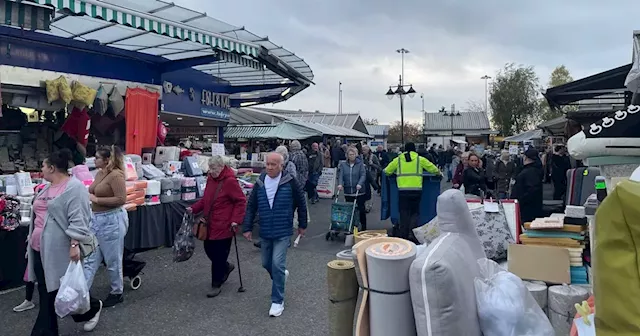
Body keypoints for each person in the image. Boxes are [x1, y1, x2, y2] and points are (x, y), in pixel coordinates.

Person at [27, 149, 103, 335]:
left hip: (59, 249)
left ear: (52, 168)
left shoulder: (74, 188)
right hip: (39, 249)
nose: (42, 170)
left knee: (57, 290)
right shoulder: (46, 188)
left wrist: (74, 244)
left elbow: (79, 219)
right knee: (49, 292)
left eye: (44, 166)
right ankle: (90, 308)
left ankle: (89, 309)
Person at [242, 152, 308, 317]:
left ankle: (277, 301)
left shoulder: (290, 181)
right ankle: (280, 276)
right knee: (266, 263)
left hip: (283, 230)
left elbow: (301, 203)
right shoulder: (260, 181)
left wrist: (302, 225)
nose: (270, 167)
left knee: (277, 264)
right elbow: (251, 206)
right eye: (268, 164)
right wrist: (247, 227)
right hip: (265, 230)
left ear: (281, 166)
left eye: (273, 164)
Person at [187, 155, 246, 298]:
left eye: (213, 168)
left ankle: (216, 284)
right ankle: (225, 267)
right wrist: (193, 209)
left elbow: (241, 201)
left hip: (225, 225)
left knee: (218, 255)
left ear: (221, 167)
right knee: (209, 250)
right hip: (210, 224)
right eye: (210, 168)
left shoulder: (230, 181)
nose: (211, 171)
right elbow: (207, 200)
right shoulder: (211, 179)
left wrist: (235, 220)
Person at [84, 146, 128, 308]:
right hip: (96, 218)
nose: (94, 160)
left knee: (112, 258)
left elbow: (120, 199)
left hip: (111, 219)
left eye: (97, 157)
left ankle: (117, 291)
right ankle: (83, 291)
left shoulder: (116, 176)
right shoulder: (100, 173)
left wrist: (96, 200)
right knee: (90, 257)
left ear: (107, 160)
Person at [385, 142, 441, 242]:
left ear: (404, 149)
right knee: (415, 213)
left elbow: (387, 171)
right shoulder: (420, 159)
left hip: (402, 191)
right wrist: (439, 173)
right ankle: (413, 233)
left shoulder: (398, 160)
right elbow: (433, 168)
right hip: (416, 190)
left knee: (404, 213)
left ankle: (403, 235)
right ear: (414, 149)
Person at [337, 147, 368, 230]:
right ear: (347, 155)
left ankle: (363, 225)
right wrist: (340, 184)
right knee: (350, 209)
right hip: (348, 191)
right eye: (349, 154)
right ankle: (352, 225)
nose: (351, 156)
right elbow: (341, 176)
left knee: (361, 209)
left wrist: (360, 184)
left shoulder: (360, 164)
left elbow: (363, 175)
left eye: (353, 154)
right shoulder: (343, 165)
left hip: (359, 191)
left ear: (356, 155)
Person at [512, 148, 544, 223]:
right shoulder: (535, 169)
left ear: (526, 157)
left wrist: (520, 200)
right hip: (531, 207)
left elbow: (532, 190)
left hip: (527, 209)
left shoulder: (529, 171)